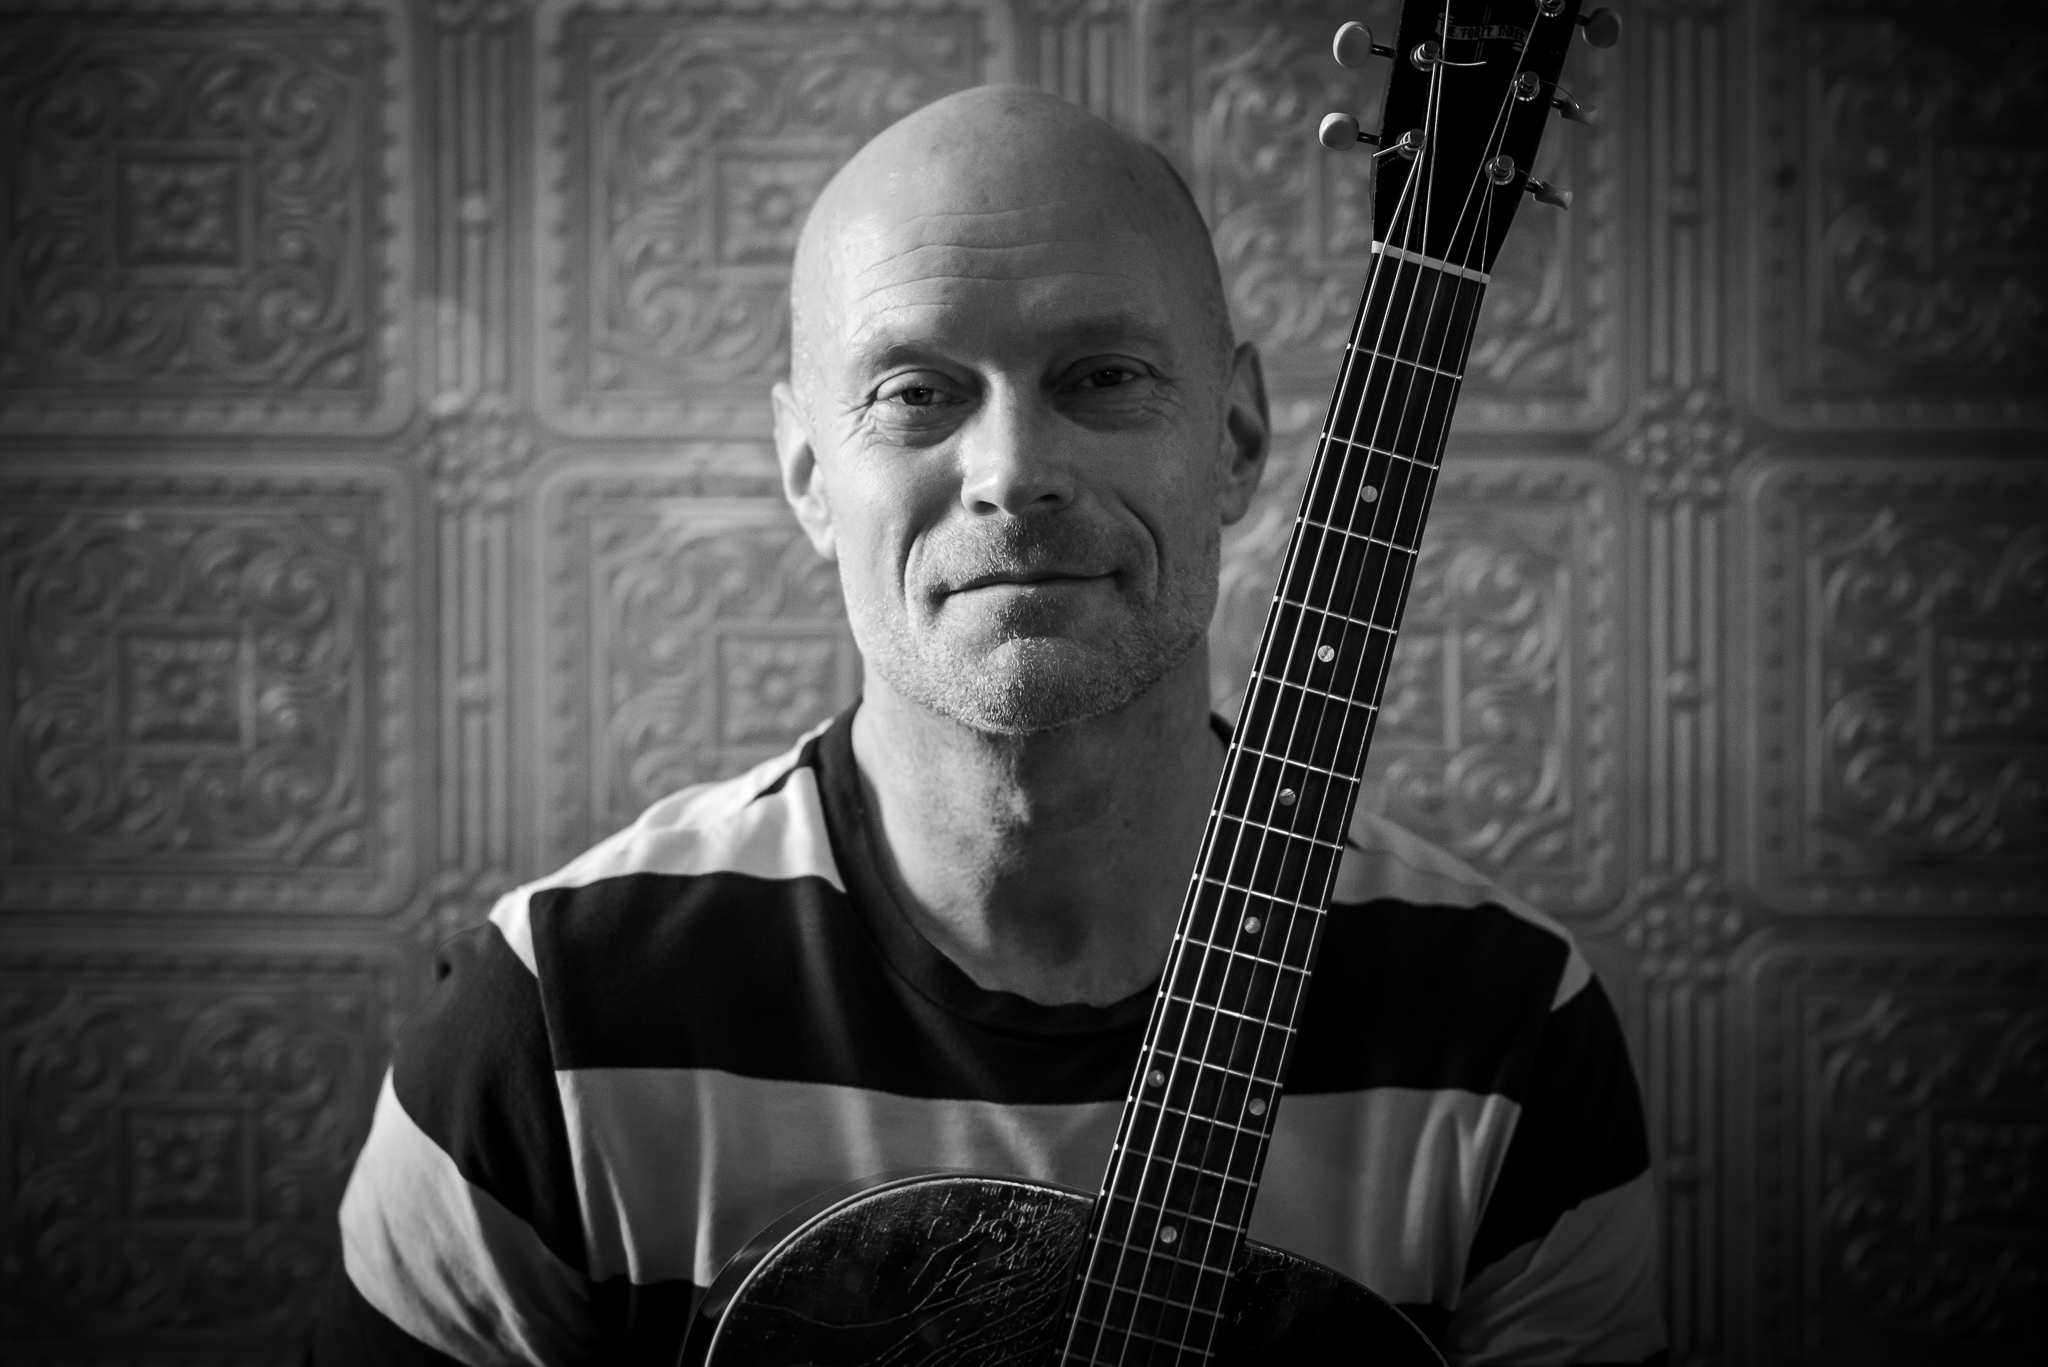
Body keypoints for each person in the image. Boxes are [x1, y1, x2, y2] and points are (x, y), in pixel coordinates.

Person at [317, 85, 1665, 1365]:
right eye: (917, 392)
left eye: (1104, 376)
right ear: (808, 473)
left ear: (1240, 440)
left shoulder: (1512, 1031)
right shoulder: (550, 1024)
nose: (1015, 473)